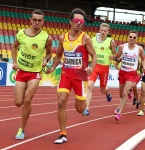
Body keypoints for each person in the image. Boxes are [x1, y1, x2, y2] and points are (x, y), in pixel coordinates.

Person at [46, 8, 97, 144]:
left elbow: (94, 55)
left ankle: (84, 105)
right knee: (61, 102)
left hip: (80, 78)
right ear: (70, 21)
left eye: (81, 20)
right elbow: (58, 56)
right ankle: (63, 134)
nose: (79, 22)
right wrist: (52, 67)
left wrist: (91, 68)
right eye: (76, 20)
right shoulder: (63, 38)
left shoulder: (85, 38)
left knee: (79, 109)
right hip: (65, 75)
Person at [11, 9, 52, 139]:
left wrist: (46, 59)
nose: (37, 22)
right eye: (34, 19)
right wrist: (14, 61)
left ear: (43, 22)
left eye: (39, 20)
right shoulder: (21, 33)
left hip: (35, 72)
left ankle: (21, 129)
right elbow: (14, 47)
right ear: (31, 20)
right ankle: (22, 95)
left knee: (27, 100)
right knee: (18, 102)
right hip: (22, 71)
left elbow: (50, 53)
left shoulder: (47, 38)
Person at [82, 23, 116, 116]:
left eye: (105, 31)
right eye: (102, 30)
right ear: (99, 30)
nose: (103, 32)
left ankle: (107, 92)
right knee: (89, 86)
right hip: (94, 66)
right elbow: (89, 51)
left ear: (108, 32)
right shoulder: (93, 39)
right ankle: (86, 109)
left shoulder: (111, 41)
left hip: (104, 67)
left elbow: (115, 54)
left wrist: (113, 57)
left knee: (102, 89)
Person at [109, 30, 145, 121]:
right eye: (130, 37)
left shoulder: (139, 49)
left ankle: (119, 113)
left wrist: (143, 66)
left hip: (132, 74)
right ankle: (128, 94)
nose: (132, 39)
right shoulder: (122, 47)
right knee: (121, 94)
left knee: (124, 92)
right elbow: (117, 56)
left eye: (134, 37)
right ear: (128, 37)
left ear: (136, 39)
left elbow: (143, 59)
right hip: (122, 72)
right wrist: (113, 57)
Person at [137, 45, 145, 116]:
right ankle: (141, 111)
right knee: (142, 92)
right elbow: (141, 67)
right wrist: (141, 72)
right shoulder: (144, 57)